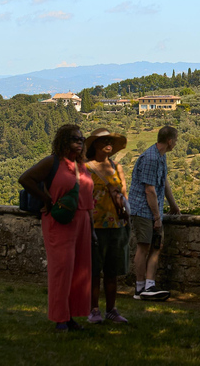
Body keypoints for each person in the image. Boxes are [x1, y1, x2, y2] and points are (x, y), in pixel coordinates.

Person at [19, 124, 94, 332]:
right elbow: (26, 179)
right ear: (63, 140)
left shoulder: (81, 165)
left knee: (79, 271)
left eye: (81, 139)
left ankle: (71, 316)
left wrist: (92, 228)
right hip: (59, 222)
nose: (79, 142)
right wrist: (47, 200)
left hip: (82, 223)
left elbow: (87, 199)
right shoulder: (52, 162)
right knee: (62, 270)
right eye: (74, 139)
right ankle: (60, 318)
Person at [129, 125, 181, 301]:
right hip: (143, 210)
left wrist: (173, 205)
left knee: (156, 245)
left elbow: (163, 182)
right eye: (175, 139)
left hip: (152, 209)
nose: (176, 143)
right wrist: (157, 217)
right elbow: (149, 190)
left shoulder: (161, 156)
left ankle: (149, 286)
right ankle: (139, 287)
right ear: (169, 140)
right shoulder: (151, 158)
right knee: (144, 247)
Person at [84, 128, 130, 324]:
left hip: (117, 225)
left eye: (111, 140)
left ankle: (111, 309)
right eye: (104, 141)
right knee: (94, 272)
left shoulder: (116, 167)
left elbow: (124, 193)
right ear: (95, 144)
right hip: (94, 226)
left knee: (112, 271)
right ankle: (94, 310)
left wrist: (127, 218)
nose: (109, 143)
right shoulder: (85, 168)